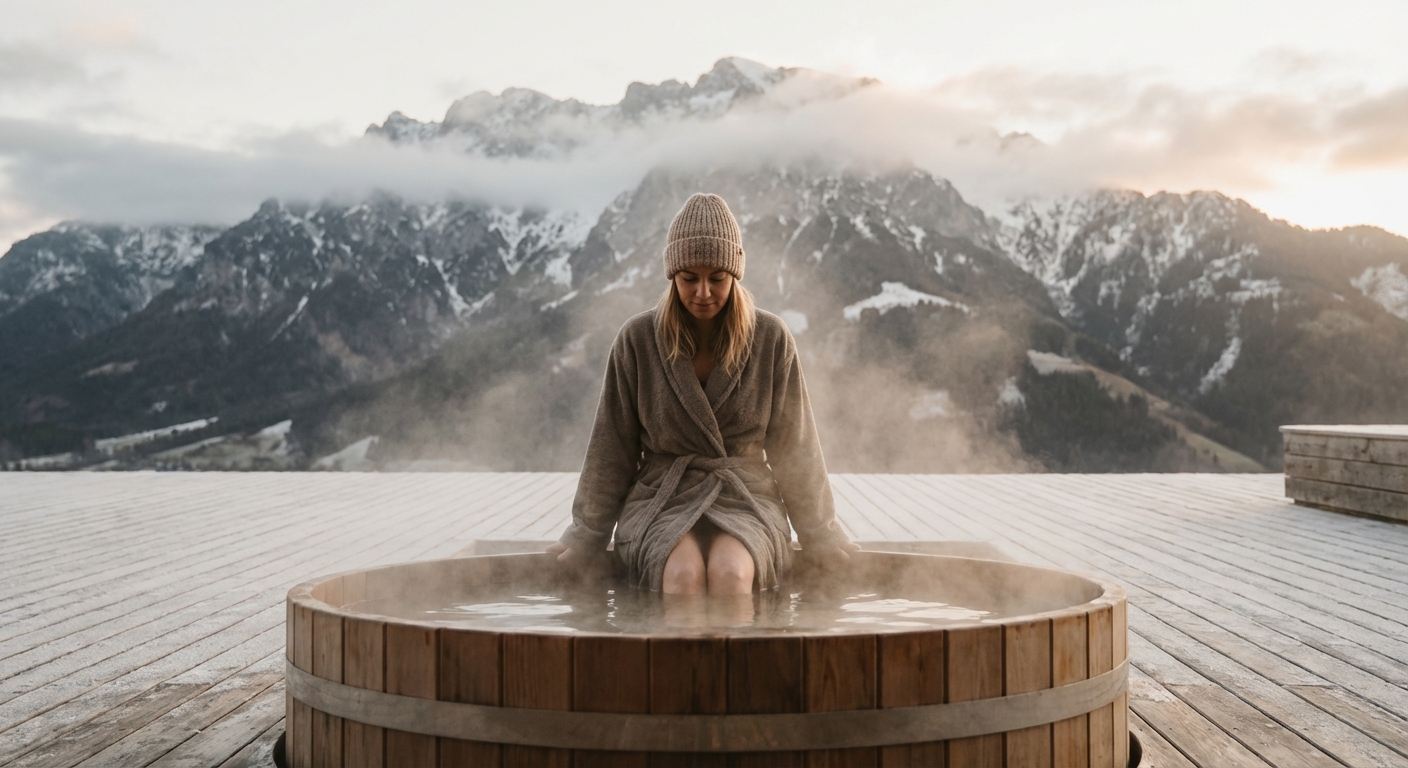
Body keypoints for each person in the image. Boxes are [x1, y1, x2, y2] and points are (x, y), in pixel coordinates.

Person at [548, 192, 856, 594]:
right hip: (662, 497)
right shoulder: (638, 340)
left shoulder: (771, 339)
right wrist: (586, 536)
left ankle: (739, 656)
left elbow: (796, 449)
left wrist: (821, 536)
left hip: (746, 498)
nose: (703, 292)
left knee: (732, 575)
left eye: (717, 278)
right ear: (672, 275)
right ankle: (679, 658)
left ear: (735, 273)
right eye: (689, 278)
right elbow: (611, 448)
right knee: (682, 576)